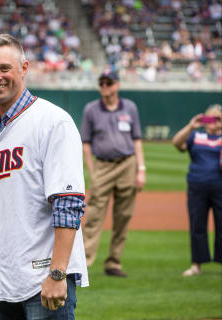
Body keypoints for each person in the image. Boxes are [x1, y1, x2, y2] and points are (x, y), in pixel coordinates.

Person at [0, 34, 88, 320]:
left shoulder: (53, 122)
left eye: (5, 68)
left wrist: (58, 273)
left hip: (43, 281)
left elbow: (68, 202)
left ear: (24, 68)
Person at [81, 71, 146, 277]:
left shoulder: (130, 107)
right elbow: (86, 144)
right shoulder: (91, 109)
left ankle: (114, 262)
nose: (105, 86)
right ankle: (84, 263)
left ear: (117, 85)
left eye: (108, 82)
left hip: (127, 163)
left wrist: (141, 169)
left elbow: (136, 140)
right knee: (93, 215)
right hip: (103, 165)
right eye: (102, 83)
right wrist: (93, 170)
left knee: (123, 216)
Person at [172, 104, 222, 276]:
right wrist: (191, 126)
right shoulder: (196, 135)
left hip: (219, 186)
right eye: (209, 117)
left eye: (217, 118)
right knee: (197, 224)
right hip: (197, 185)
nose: (213, 122)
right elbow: (177, 143)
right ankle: (196, 264)